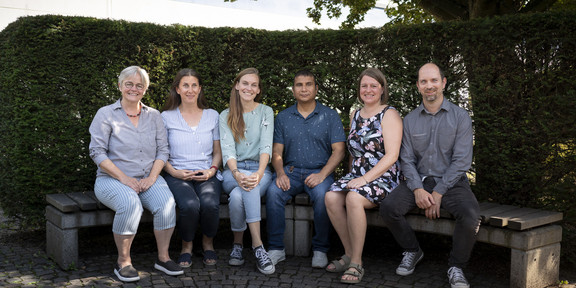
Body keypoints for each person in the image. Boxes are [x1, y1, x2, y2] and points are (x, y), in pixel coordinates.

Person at [379, 63, 480, 288]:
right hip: (419, 181)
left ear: (443, 83)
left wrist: (438, 193)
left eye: (434, 80)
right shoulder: (410, 119)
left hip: (452, 183)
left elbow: (462, 161)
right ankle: (413, 251)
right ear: (418, 86)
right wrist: (416, 189)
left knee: (471, 215)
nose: (429, 86)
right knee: (388, 208)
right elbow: (406, 159)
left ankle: (456, 266)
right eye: (424, 81)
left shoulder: (461, 117)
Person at [89, 66, 183, 282]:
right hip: (112, 179)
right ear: (120, 86)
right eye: (129, 84)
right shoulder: (105, 114)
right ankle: (123, 262)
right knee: (131, 205)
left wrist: (152, 177)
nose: (133, 88)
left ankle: (163, 257)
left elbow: (163, 150)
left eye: (139, 85)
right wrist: (124, 179)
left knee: (166, 204)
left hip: (149, 178)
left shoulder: (154, 116)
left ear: (145, 89)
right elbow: (96, 151)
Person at [324, 68, 403, 284]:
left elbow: (393, 155)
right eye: (364, 86)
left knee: (353, 198)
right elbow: (354, 152)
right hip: (358, 175)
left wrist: (365, 179)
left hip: (384, 177)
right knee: (331, 197)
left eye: (373, 86)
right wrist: (351, 176)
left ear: (382, 89)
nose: (368, 90)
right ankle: (349, 253)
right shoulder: (356, 114)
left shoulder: (390, 114)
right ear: (359, 90)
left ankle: (357, 263)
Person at [265, 70, 346, 268]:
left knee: (323, 195)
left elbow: (339, 151)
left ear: (316, 89)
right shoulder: (284, 117)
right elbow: (276, 151)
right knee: (273, 192)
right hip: (291, 172)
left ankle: (320, 250)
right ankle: (276, 249)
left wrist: (322, 175)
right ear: (293, 90)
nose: (304, 88)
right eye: (299, 85)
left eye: (308, 84)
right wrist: (281, 173)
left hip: (320, 171)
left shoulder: (329, 115)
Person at [161, 68, 223, 268]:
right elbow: (160, 152)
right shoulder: (166, 117)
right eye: (185, 85)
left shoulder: (212, 115)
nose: (190, 90)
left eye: (194, 85)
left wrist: (212, 170)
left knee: (210, 204)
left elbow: (217, 151)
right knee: (189, 205)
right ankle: (186, 247)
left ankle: (207, 243)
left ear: (200, 89)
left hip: (206, 173)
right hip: (177, 173)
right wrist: (173, 172)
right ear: (177, 89)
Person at [219, 67, 275, 275]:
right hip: (232, 172)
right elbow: (228, 150)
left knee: (237, 196)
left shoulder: (266, 111)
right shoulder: (225, 115)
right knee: (245, 188)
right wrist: (236, 174)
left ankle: (238, 246)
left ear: (258, 90)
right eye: (245, 83)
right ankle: (259, 247)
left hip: (260, 170)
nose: (249, 88)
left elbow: (266, 147)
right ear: (237, 85)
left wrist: (259, 173)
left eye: (253, 85)